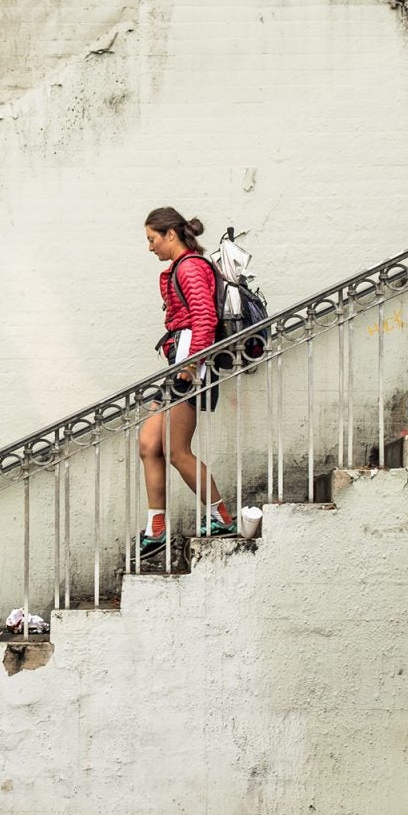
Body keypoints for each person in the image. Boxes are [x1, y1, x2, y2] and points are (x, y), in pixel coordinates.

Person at [139, 206, 238, 556]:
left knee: (177, 450)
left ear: (170, 234)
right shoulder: (181, 268)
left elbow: (205, 318)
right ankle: (156, 528)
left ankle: (222, 517)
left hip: (189, 362)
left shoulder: (191, 266)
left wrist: (191, 366)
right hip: (177, 360)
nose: (150, 247)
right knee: (150, 444)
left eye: (152, 239)